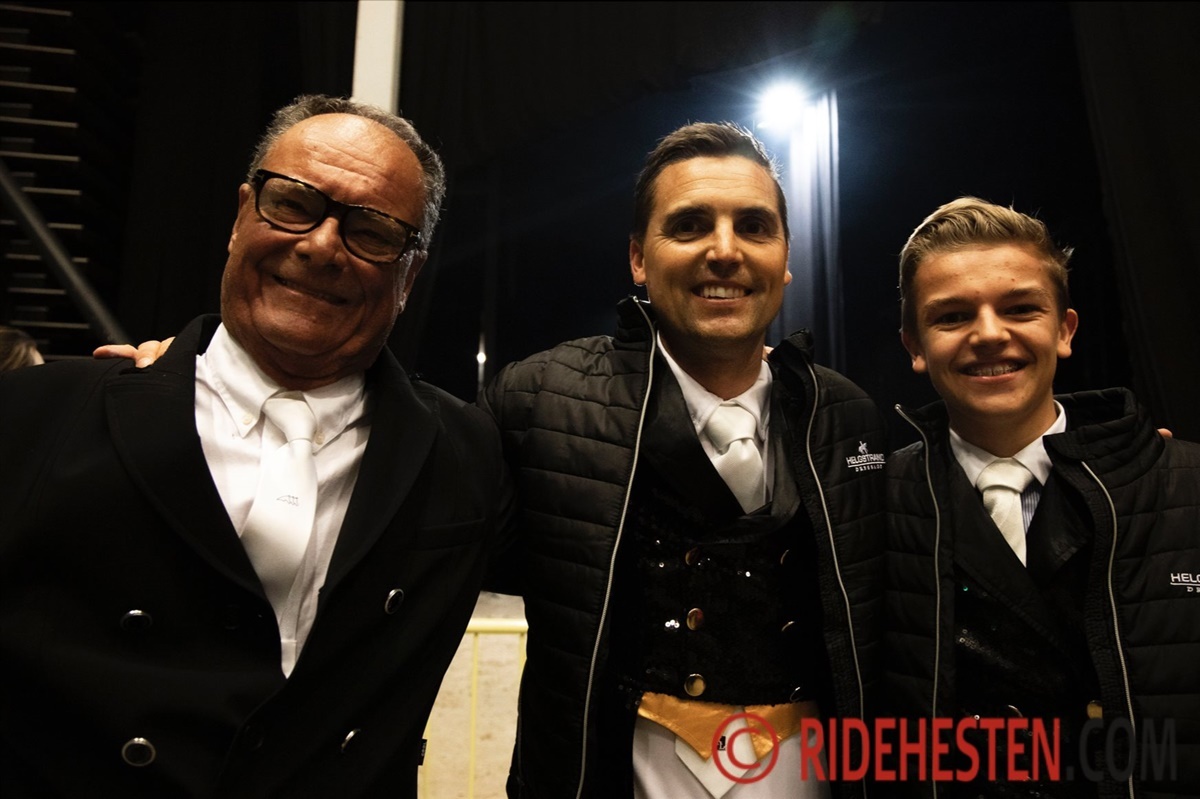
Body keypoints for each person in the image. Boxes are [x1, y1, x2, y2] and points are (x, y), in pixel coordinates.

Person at [0, 95, 512, 798]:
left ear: (410, 272)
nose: (322, 245)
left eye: (372, 230)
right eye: (293, 204)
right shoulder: (41, 415)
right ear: (243, 214)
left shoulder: (467, 455)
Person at [481, 123, 886, 798]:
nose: (724, 251)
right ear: (638, 257)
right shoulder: (536, 401)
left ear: (785, 257)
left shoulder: (849, 418)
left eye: (753, 227)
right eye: (691, 225)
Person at [885, 197, 1200, 797]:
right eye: (952, 316)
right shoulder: (869, 506)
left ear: (1064, 330)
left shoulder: (1185, 485)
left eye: (1020, 309)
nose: (989, 334)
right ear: (915, 346)